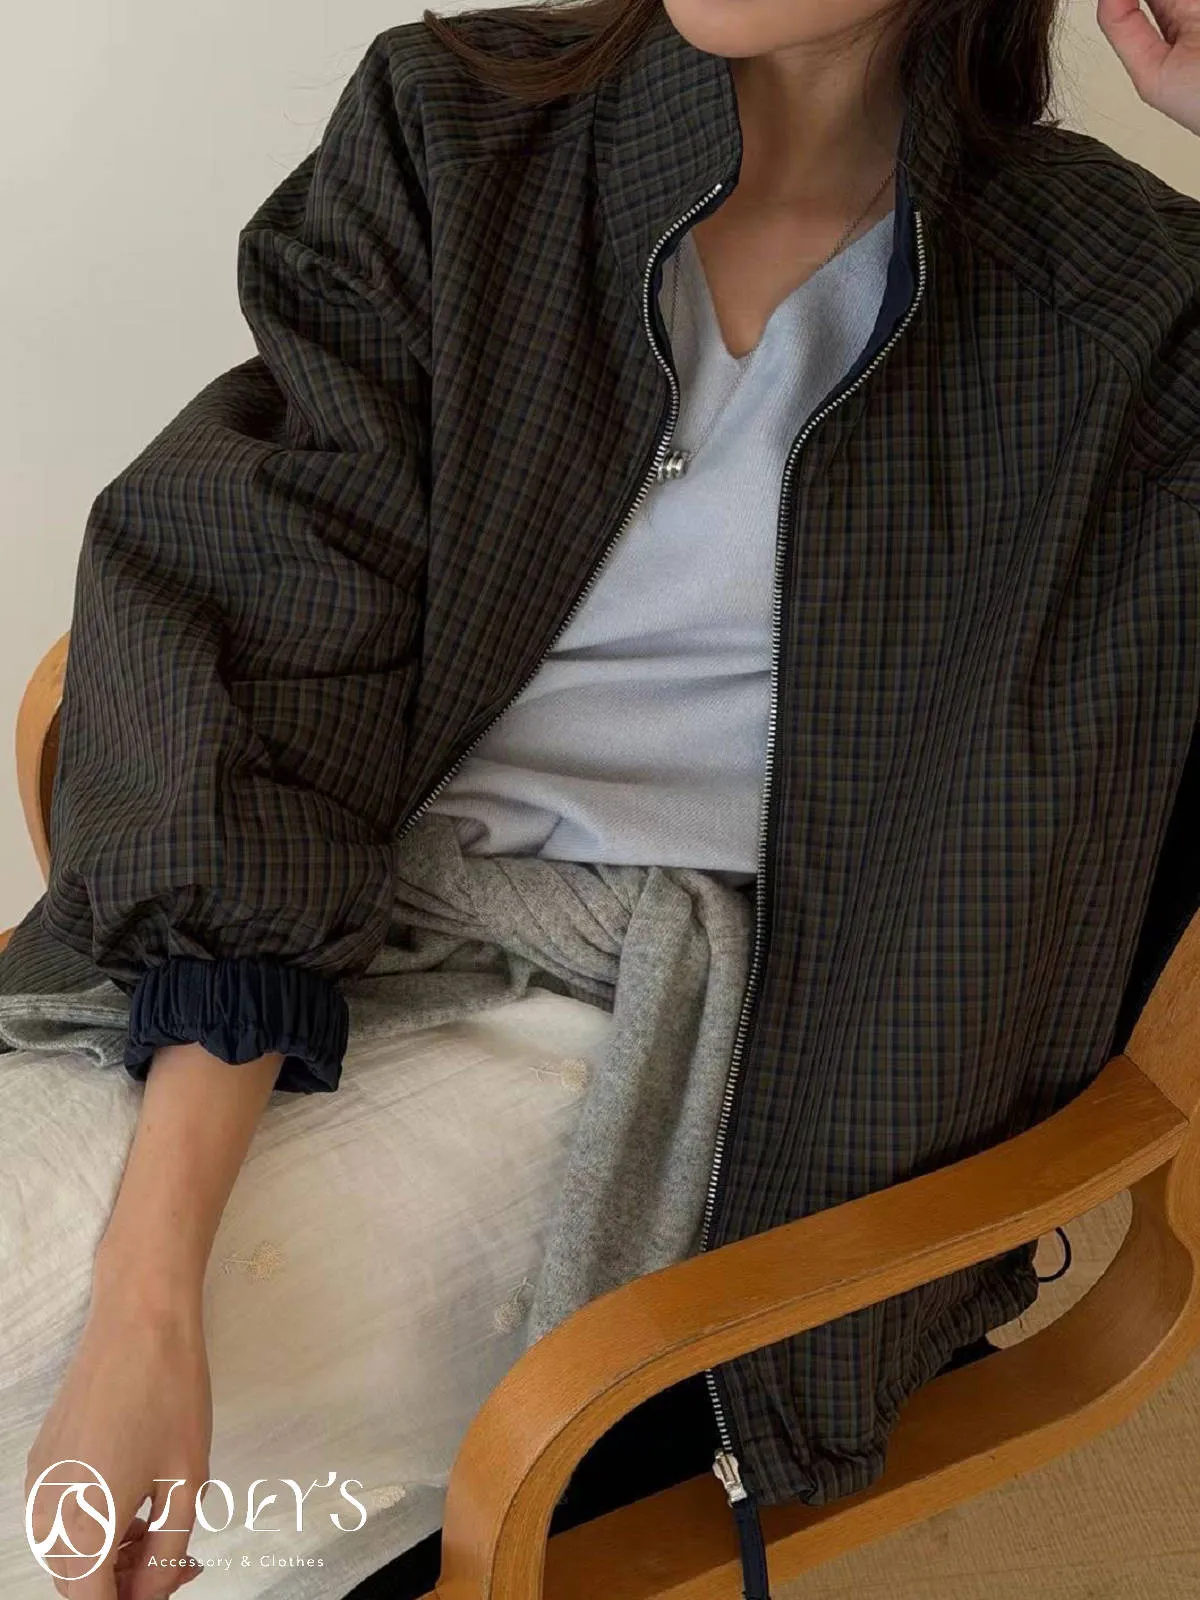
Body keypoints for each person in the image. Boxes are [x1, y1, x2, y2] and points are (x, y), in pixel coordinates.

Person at [5, 0, 1199, 1595]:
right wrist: (150, 1288)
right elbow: (278, 642)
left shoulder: (1121, 314)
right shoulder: (464, 131)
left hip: (671, 1057)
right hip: (315, 932)